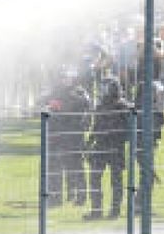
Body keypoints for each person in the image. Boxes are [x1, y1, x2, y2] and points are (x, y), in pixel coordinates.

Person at [84, 78, 132, 220]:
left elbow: (130, 130)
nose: (103, 91)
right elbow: (96, 126)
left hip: (116, 147)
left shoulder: (123, 107)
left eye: (106, 88)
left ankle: (115, 211)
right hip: (100, 146)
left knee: (116, 180)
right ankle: (96, 210)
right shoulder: (100, 106)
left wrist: (120, 138)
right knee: (94, 178)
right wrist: (89, 143)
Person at [44, 69, 91, 207]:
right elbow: (41, 102)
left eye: (67, 77)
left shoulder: (79, 92)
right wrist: (49, 104)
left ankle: (81, 196)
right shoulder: (54, 92)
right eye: (62, 77)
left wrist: (63, 105)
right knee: (54, 167)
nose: (64, 80)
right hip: (56, 134)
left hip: (73, 135)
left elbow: (86, 104)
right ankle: (55, 198)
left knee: (76, 166)